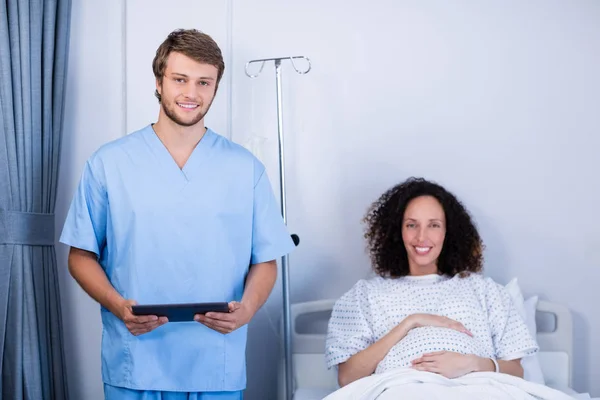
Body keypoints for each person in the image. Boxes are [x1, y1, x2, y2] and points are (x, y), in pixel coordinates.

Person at [60, 29, 295, 400]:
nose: (192, 93)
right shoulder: (109, 163)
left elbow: (265, 260)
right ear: (159, 82)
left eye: (204, 82)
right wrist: (117, 305)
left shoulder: (245, 169)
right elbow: (80, 255)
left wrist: (247, 309)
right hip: (136, 359)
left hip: (215, 362)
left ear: (216, 87)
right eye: (180, 79)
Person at [325, 177, 538, 388]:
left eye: (434, 225)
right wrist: (411, 322)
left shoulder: (484, 291)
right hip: (401, 390)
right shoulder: (366, 295)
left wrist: (471, 363)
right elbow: (348, 378)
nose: (422, 237)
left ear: (448, 232)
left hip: (479, 388)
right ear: (398, 231)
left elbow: (516, 371)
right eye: (411, 225)